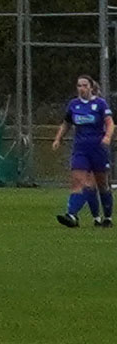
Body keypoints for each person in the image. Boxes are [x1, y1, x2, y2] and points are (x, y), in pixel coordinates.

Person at [52, 74, 113, 228]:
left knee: (102, 185)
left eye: (85, 85)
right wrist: (58, 138)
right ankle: (71, 215)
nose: (82, 88)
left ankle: (107, 217)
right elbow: (66, 123)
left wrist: (107, 136)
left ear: (91, 87)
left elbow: (110, 123)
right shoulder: (74, 105)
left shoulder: (100, 104)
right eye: (79, 86)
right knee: (79, 182)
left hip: (98, 149)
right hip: (80, 149)